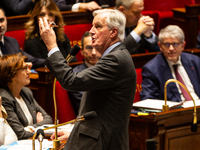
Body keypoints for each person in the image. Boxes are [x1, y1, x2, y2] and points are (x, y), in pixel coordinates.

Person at [39, 8, 136, 150]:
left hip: (103, 144)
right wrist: (74, 134)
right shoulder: (116, 56)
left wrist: (51, 46)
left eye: (98, 26)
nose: (91, 31)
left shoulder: (115, 59)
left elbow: (71, 80)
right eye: (92, 26)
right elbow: (100, 111)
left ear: (113, 32)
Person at [140, 25, 200, 102]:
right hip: (175, 111)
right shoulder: (151, 69)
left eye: (175, 44)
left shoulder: (195, 61)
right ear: (160, 46)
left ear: (183, 45)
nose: (171, 49)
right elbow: (148, 100)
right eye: (167, 45)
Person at [0, 53, 53, 140]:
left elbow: (48, 119)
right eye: (24, 69)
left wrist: (30, 128)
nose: (29, 71)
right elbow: (20, 134)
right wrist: (39, 125)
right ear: (11, 75)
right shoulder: (5, 98)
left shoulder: (26, 92)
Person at [68, 31, 101, 115]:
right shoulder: (76, 75)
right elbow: (89, 105)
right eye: (89, 48)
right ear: (82, 51)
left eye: (97, 47)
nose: (93, 52)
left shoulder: (110, 69)